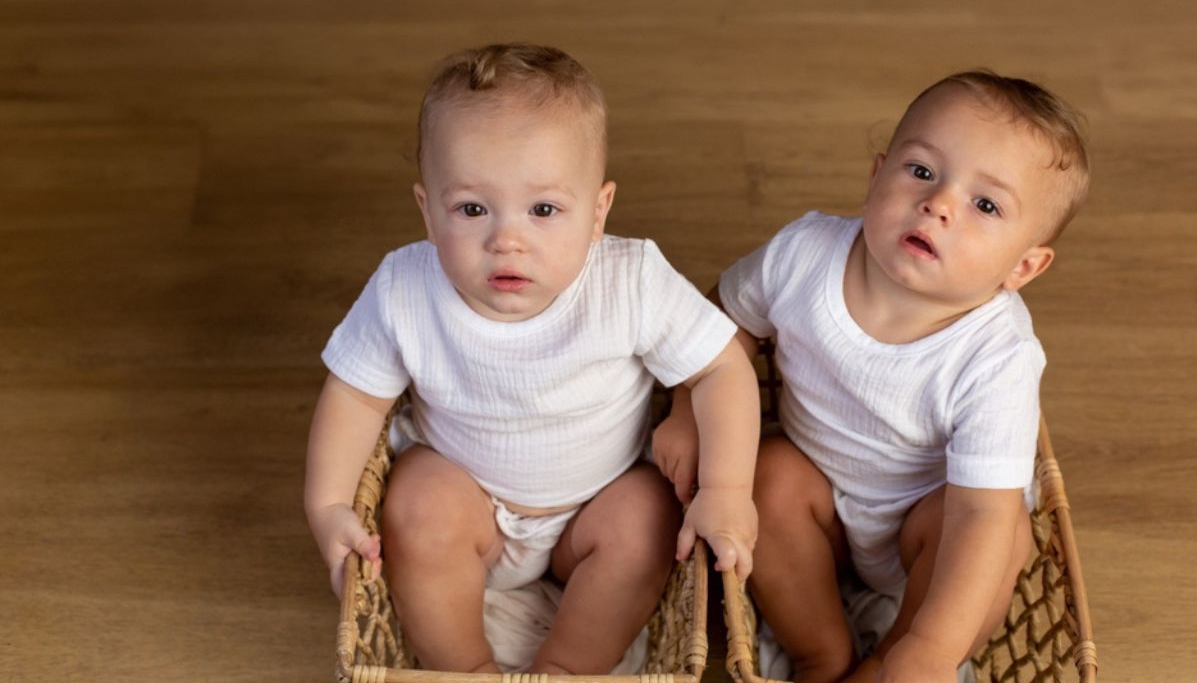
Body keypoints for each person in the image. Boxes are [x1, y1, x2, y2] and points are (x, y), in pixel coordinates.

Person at [304, 43, 759, 675]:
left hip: (595, 506)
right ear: (428, 212)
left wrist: (728, 489)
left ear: (598, 212)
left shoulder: (629, 279)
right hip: (471, 504)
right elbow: (354, 394)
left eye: (544, 210)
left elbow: (720, 368)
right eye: (471, 209)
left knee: (649, 517)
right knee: (414, 502)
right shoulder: (403, 288)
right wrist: (327, 505)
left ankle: (567, 669)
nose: (506, 240)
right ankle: (466, 669)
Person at [654, 70, 1090, 683]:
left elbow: (980, 514)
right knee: (768, 472)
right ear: (876, 174)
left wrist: (933, 650)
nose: (939, 203)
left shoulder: (1000, 355)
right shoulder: (803, 255)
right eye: (921, 171)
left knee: (1003, 538)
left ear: (1023, 265)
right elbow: (719, 323)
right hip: (818, 507)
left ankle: (896, 659)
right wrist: (684, 408)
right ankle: (822, 654)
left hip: (928, 529)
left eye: (985, 205)